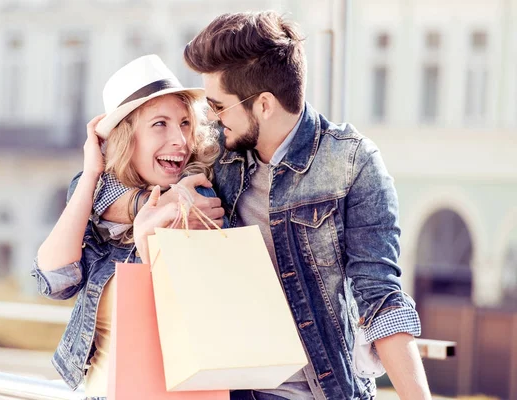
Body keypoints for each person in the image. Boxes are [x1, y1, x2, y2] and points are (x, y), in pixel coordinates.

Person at [92, 11, 432, 400]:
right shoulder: (219, 156)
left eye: (220, 106)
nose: (213, 119)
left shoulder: (352, 164)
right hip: (230, 391)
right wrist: (158, 202)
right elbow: (108, 187)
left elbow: (383, 299)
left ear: (264, 105)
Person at [31, 54, 221, 398]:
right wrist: (90, 173)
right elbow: (54, 280)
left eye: (184, 123)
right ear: (126, 138)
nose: (179, 139)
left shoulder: (197, 198)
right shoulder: (101, 201)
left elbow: (187, 319)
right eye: (160, 124)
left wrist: (149, 238)